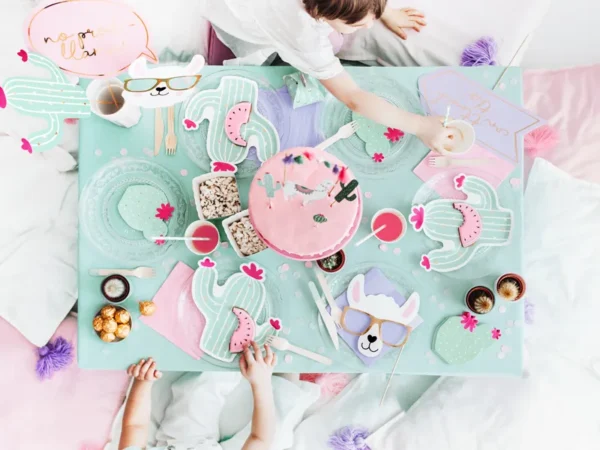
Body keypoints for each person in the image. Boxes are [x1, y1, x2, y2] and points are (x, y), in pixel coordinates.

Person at [201, 0, 455, 153]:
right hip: (242, 16)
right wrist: (420, 126)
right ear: (322, 15)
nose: (369, 25)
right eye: (357, 25)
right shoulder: (304, 37)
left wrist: (379, 9)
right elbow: (353, 96)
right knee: (331, 46)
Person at [119, 342, 278, 450]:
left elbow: (134, 425)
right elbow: (260, 439)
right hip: (198, 434)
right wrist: (261, 382)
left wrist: (143, 381)